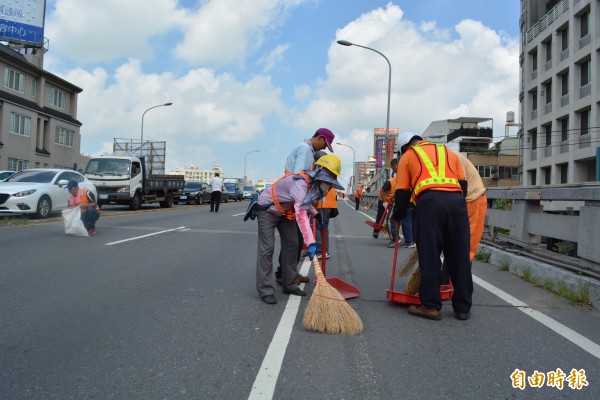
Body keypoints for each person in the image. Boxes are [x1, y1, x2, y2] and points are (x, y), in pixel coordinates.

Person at [391, 132, 472, 321]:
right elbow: (463, 183)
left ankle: (431, 306)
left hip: (429, 204)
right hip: (457, 203)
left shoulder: (408, 156)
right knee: (459, 255)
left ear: (404, 147)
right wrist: (457, 204)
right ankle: (462, 308)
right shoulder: (449, 152)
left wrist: (398, 216)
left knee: (430, 256)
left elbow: (402, 192)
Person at [253, 154, 344, 304]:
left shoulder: (314, 186)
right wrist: (311, 243)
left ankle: (289, 284)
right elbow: (301, 214)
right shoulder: (301, 183)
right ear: (319, 174)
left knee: (292, 244)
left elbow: (306, 205)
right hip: (267, 210)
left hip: (285, 212)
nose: (328, 184)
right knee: (267, 248)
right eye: (327, 179)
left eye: (330, 180)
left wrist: (316, 214)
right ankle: (265, 290)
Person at [275, 128, 336, 284]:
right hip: (293, 199)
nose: (323, 148)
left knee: (296, 239)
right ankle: (285, 274)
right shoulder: (304, 148)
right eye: (325, 144)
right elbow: (298, 177)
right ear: (320, 138)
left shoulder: (308, 150)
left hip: (297, 198)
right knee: (294, 240)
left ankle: (289, 273)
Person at [441, 154, 488, 282]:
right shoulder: (436, 158)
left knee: (465, 246)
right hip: (457, 202)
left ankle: (461, 285)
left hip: (472, 200)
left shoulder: (449, 158)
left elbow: (461, 185)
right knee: (450, 243)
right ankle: (445, 282)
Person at [314, 151, 338, 260]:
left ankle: (321, 252)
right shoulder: (331, 169)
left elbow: (320, 188)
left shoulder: (320, 170)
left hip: (321, 203)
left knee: (319, 228)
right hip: (329, 202)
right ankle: (325, 251)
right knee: (324, 228)